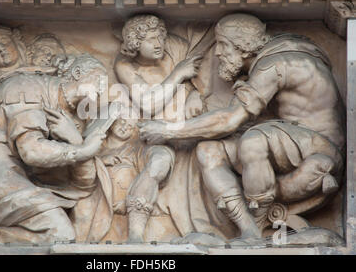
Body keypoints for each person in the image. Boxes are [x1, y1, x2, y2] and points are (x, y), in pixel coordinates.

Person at [139, 13, 345, 240]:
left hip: (319, 152)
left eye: (224, 46)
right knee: (209, 150)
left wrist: (168, 130)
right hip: (293, 146)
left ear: (243, 47)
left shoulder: (274, 64)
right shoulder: (276, 57)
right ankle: (249, 229)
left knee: (253, 139)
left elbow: (229, 120)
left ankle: (258, 221)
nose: (217, 53)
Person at [0, 54, 109, 244]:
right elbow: (32, 152)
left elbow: (85, 185)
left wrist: (75, 140)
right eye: (98, 81)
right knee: (60, 232)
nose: (101, 90)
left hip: (17, 181)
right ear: (77, 73)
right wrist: (84, 150)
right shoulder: (27, 89)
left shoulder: (70, 119)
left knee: (64, 231)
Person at [114, 14, 209, 242]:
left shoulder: (176, 47)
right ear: (135, 44)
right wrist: (177, 74)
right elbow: (148, 103)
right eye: (149, 40)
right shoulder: (125, 65)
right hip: (154, 138)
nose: (158, 44)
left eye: (160, 37)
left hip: (192, 131)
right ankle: (135, 237)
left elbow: (203, 79)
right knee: (158, 164)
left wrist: (196, 94)